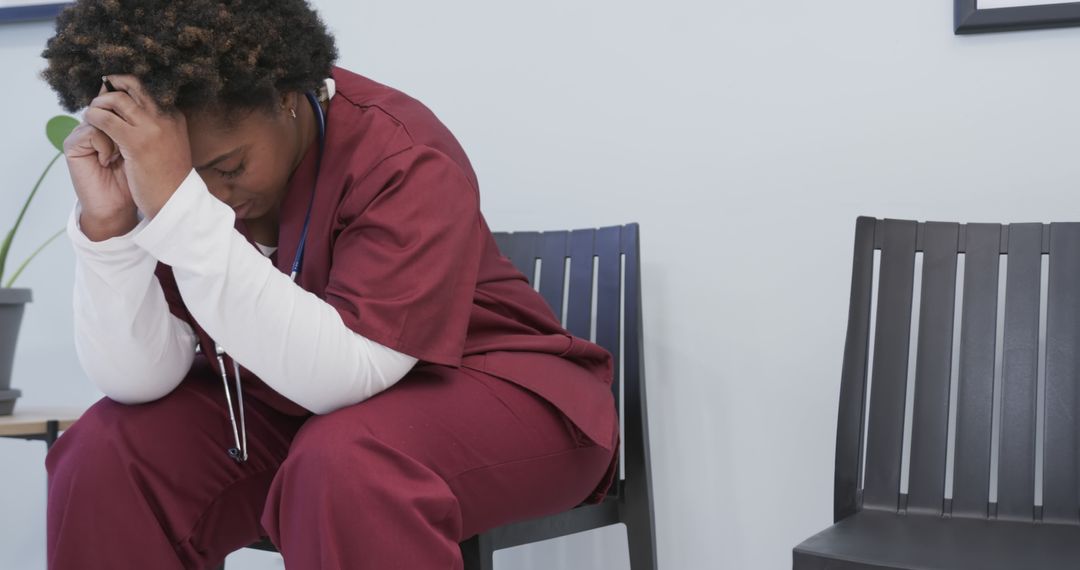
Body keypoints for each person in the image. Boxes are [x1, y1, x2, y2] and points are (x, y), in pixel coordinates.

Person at [39, 1, 619, 568]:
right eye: (190, 183)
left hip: (496, 393)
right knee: (106, 453)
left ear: (288, 98)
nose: (209, 195)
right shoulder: (167, 173)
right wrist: (111, 233)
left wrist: (177, 207)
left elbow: (348, 376)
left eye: (229, 167)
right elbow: (140, 379)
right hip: (292, 411)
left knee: (351, 464)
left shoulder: (400, 150)